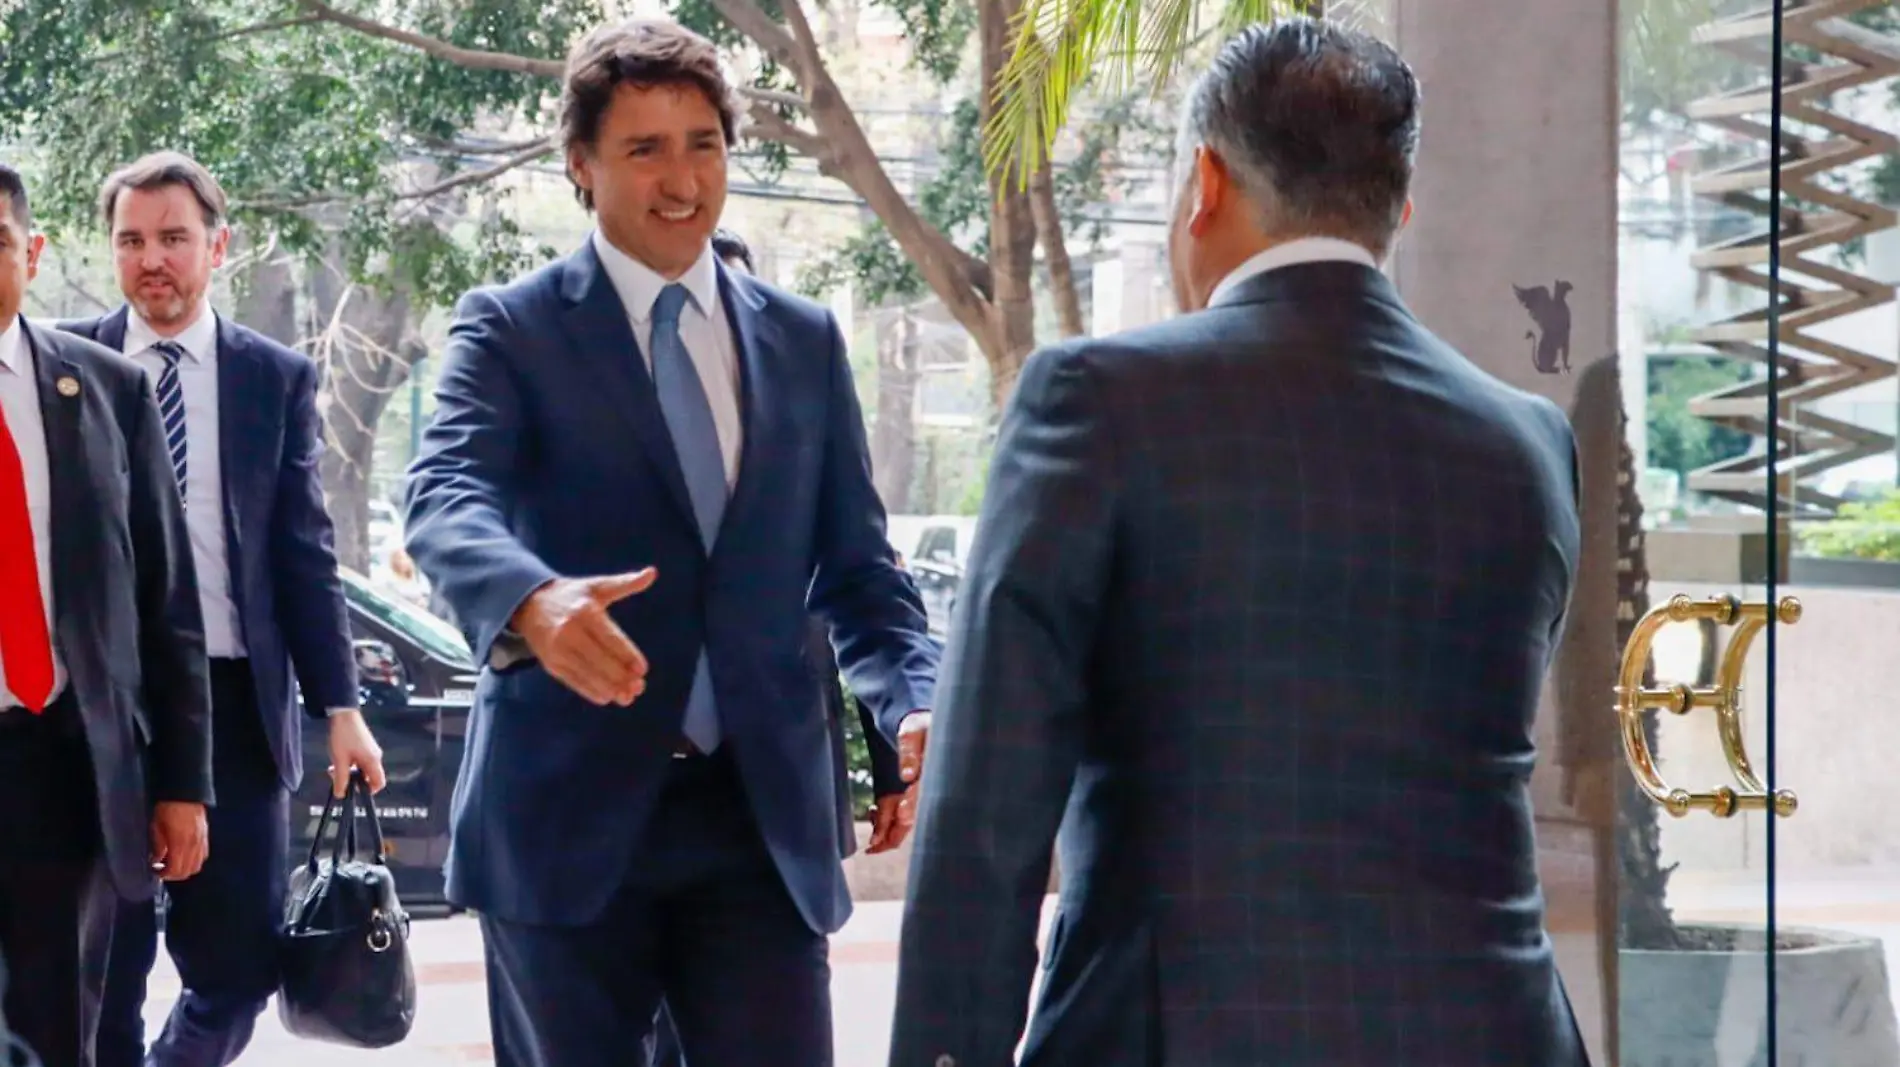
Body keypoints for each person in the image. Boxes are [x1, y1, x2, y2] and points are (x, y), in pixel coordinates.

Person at [889, 18, 1589, 1067]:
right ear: (1396, 205)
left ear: (1203, 183)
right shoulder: (1528, 442)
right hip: (1491, 1030)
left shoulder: (1096, 401)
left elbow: (989, 808)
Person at [402, 19, 939, 1067]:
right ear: (581, 163)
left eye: (703, 143)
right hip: (565, 820)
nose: (681, 178)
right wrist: (530, 599)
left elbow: (861, 572)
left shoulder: (801, 339)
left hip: (759, 821)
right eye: (644, 148)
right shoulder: (511, 329)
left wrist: (911, 699)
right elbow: (443, 494)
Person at [60, 151, 388, 1067]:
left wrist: (343, 709)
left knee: (241, 966)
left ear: (218, 245)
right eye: (131, 240)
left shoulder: (270, 377)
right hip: (100, 706)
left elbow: (304, 555)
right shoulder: (62, 366)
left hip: (237, 709)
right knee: (98, 972)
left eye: (173, 238)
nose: (151, 259)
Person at [0, 162, 212, 1067]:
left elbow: (166, 599)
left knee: (56, 1028)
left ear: (33, 252)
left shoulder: (105, 390)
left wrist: (181, 781)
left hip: (60, 755)